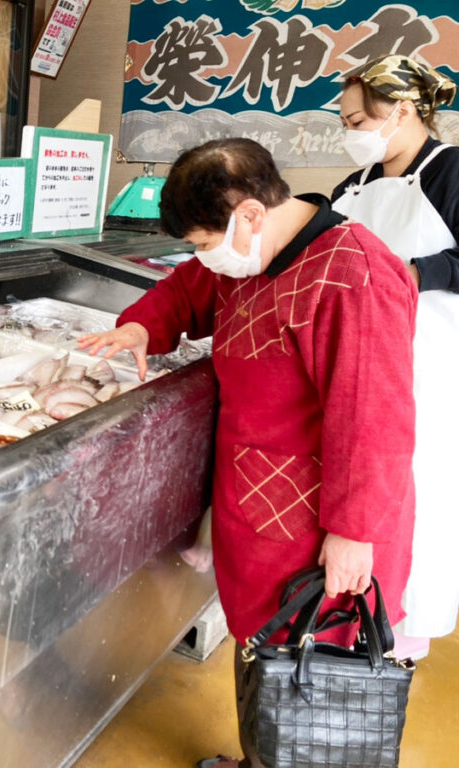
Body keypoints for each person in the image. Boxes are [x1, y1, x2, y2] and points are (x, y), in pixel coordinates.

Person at [78, 138, 418, 768]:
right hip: (258, 517)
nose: (204, 256)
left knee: (315, 674)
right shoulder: (252, 256)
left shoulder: (353, 275)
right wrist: (140, 326)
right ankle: (260, 758)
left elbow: (376, 421)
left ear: (250, 214)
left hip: (320, 528)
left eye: (205, 240)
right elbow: (188, 289)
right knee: (265, 653)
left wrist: (353, 533)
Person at [331, 54, 459, 661]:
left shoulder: (452, 173)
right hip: (353, 373)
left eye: (357, 118)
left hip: (427, 373)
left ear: (403, 110)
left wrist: (414, 271)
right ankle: (336, 628)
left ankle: (398, 647)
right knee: (351, 501)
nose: (349, 131)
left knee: (418, 500)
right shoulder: (350, 188)